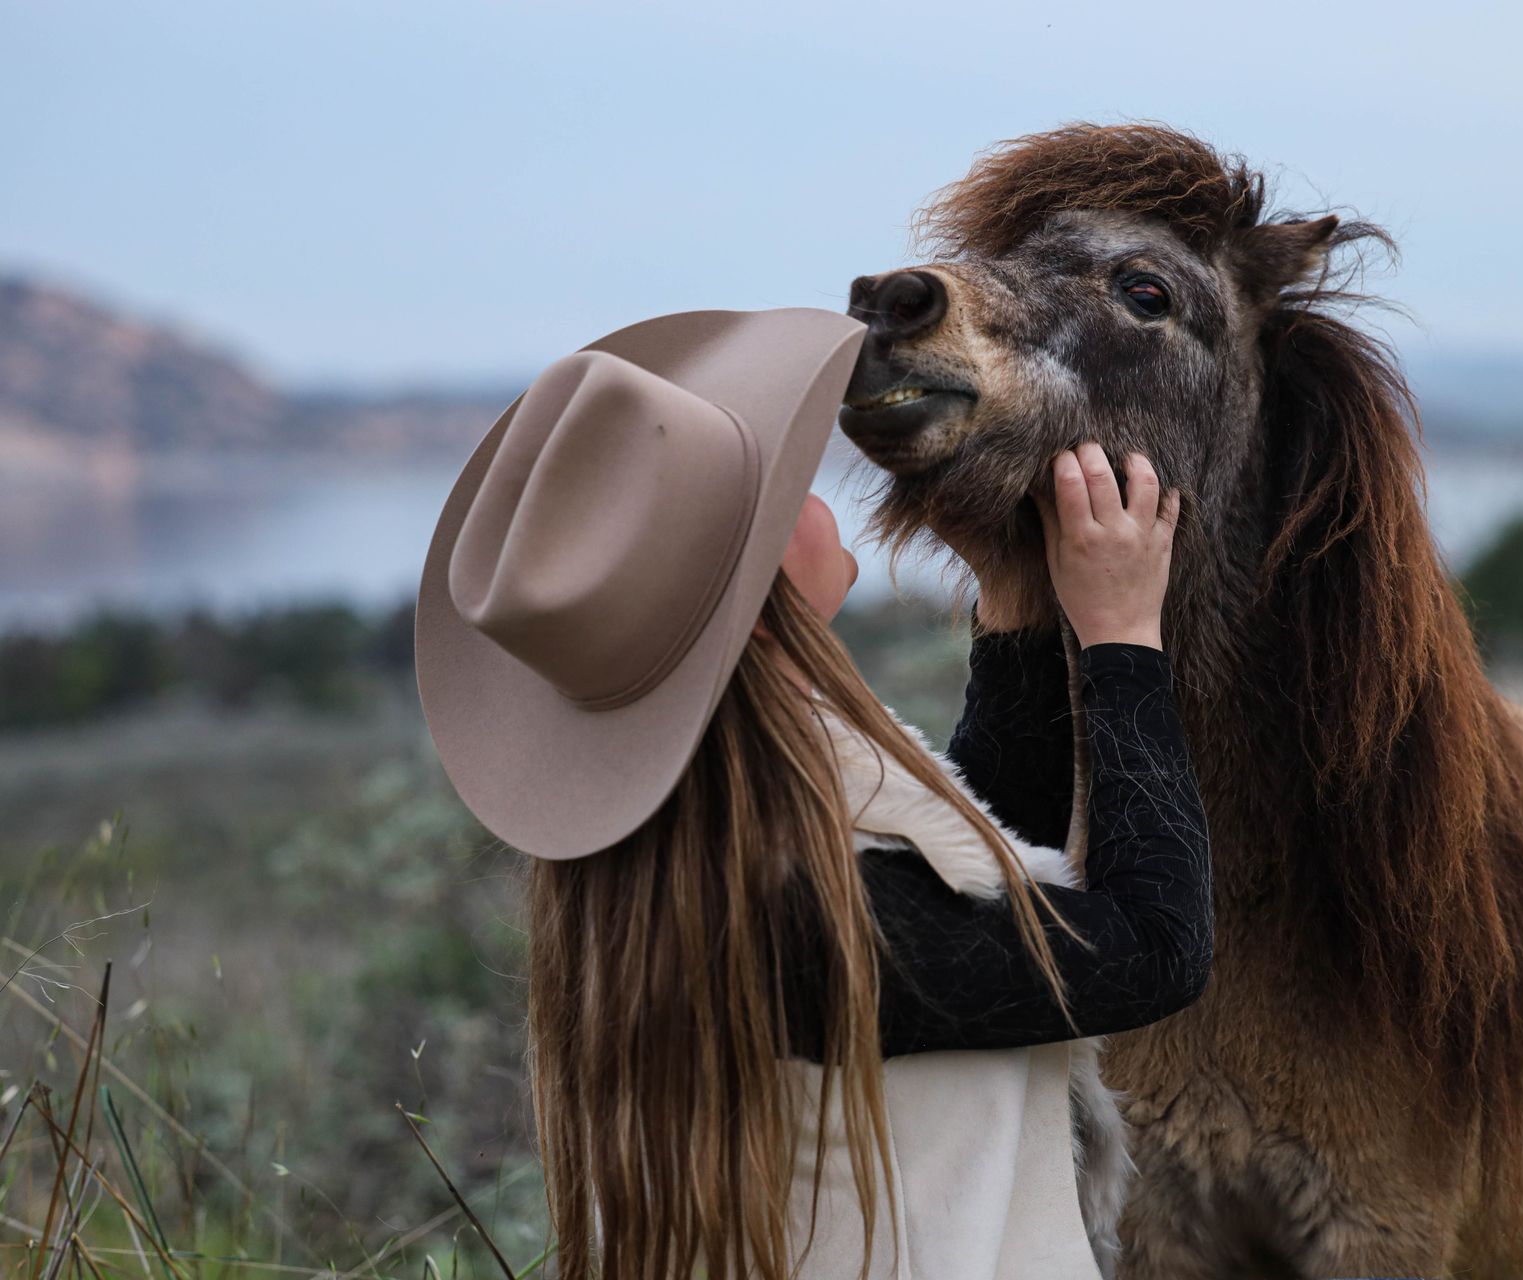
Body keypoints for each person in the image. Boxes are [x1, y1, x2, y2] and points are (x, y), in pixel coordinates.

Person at [414, 307, 1211, 1280]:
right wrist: (1124, 635)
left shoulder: (718, 843)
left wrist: (1015, 607)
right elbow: (1151, 948)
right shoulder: (812, 912)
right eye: (782, 478)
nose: (814, 478)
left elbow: (989, 913)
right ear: (755, 611)